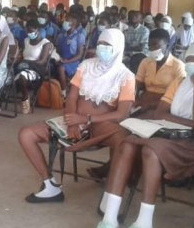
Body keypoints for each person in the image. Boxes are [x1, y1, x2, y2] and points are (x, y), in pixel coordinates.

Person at [87, 41, 194, 228]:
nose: (192, 65)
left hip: (193, 146)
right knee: (127, 145)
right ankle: (108, 221)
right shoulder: (179, 82)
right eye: (189, 59)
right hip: (166, 134)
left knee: (150, 150)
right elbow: (160, 113)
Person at [18, 29, 134, 203]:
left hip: (102, 124)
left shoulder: (126, 76)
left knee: (124, 141)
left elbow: (121, 114)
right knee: (26, 134)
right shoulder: (86, 66)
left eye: (107, 46)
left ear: (117, 48)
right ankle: (50, 186)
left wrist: (87, 119)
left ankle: (111, 197)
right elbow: (72, 97)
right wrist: (72, 122)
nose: (102, 48)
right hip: (75, 119)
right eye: (100, 44)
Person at [135, 29, 186, 113]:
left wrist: (151, 105)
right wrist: (135, 99)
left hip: (163, 105)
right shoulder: (146, 62)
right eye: (150, 46)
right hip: (143, 102)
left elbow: (179, 95)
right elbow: (137, 84)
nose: (152, 49)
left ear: (168, 45)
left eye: (156, 46)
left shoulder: (178, 66)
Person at [15, 19, 53, 114]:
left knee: (22, 76)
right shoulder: (26, 40)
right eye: (27, 31)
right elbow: (23, 55)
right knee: (11, 72)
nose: (28, 33)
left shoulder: (45, 43)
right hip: (23, 65)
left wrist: (28, 63)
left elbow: (42, 61)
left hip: (36, 68)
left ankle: (25, 97)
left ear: (37, 29)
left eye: (31, 31)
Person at [55, 13, 86, 97]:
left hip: (73, 61)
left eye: (66, 20)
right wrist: (56, 57)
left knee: (61, 68)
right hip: (62, 59)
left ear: (73, 24)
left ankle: (63, 92)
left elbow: (80, 55)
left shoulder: (79, 36)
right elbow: (57, 49)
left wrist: (67, 61)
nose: (64, 22)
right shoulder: (61, 35)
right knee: (51, 66)